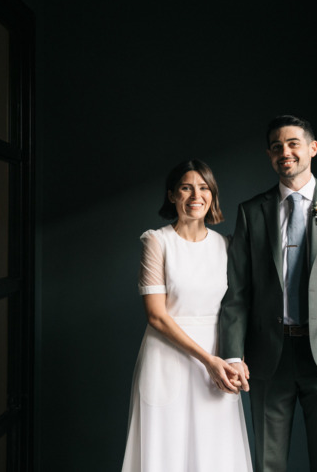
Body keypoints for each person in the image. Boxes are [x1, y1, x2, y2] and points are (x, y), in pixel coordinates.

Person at [220, 115, 317, 472]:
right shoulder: (251, 212)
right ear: (270, 155)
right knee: (268, 463)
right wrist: (232, 354)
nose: (285, 152)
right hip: (268, 355)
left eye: (293, 144)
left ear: (312, 148)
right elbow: (238, 291)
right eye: (277, 147)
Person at [121, 159, 253, 472]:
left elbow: (236, 308)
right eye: (186, 187)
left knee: (215, 453)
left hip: (218, 363)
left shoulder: (227, 246)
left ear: (213, 195)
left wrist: (233, 359)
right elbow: (156, 316)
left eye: (204, 187)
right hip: (167, 358)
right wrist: (208, 360)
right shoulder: (157, 241)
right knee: (165, 451)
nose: (196, 195)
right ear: (172, 196)